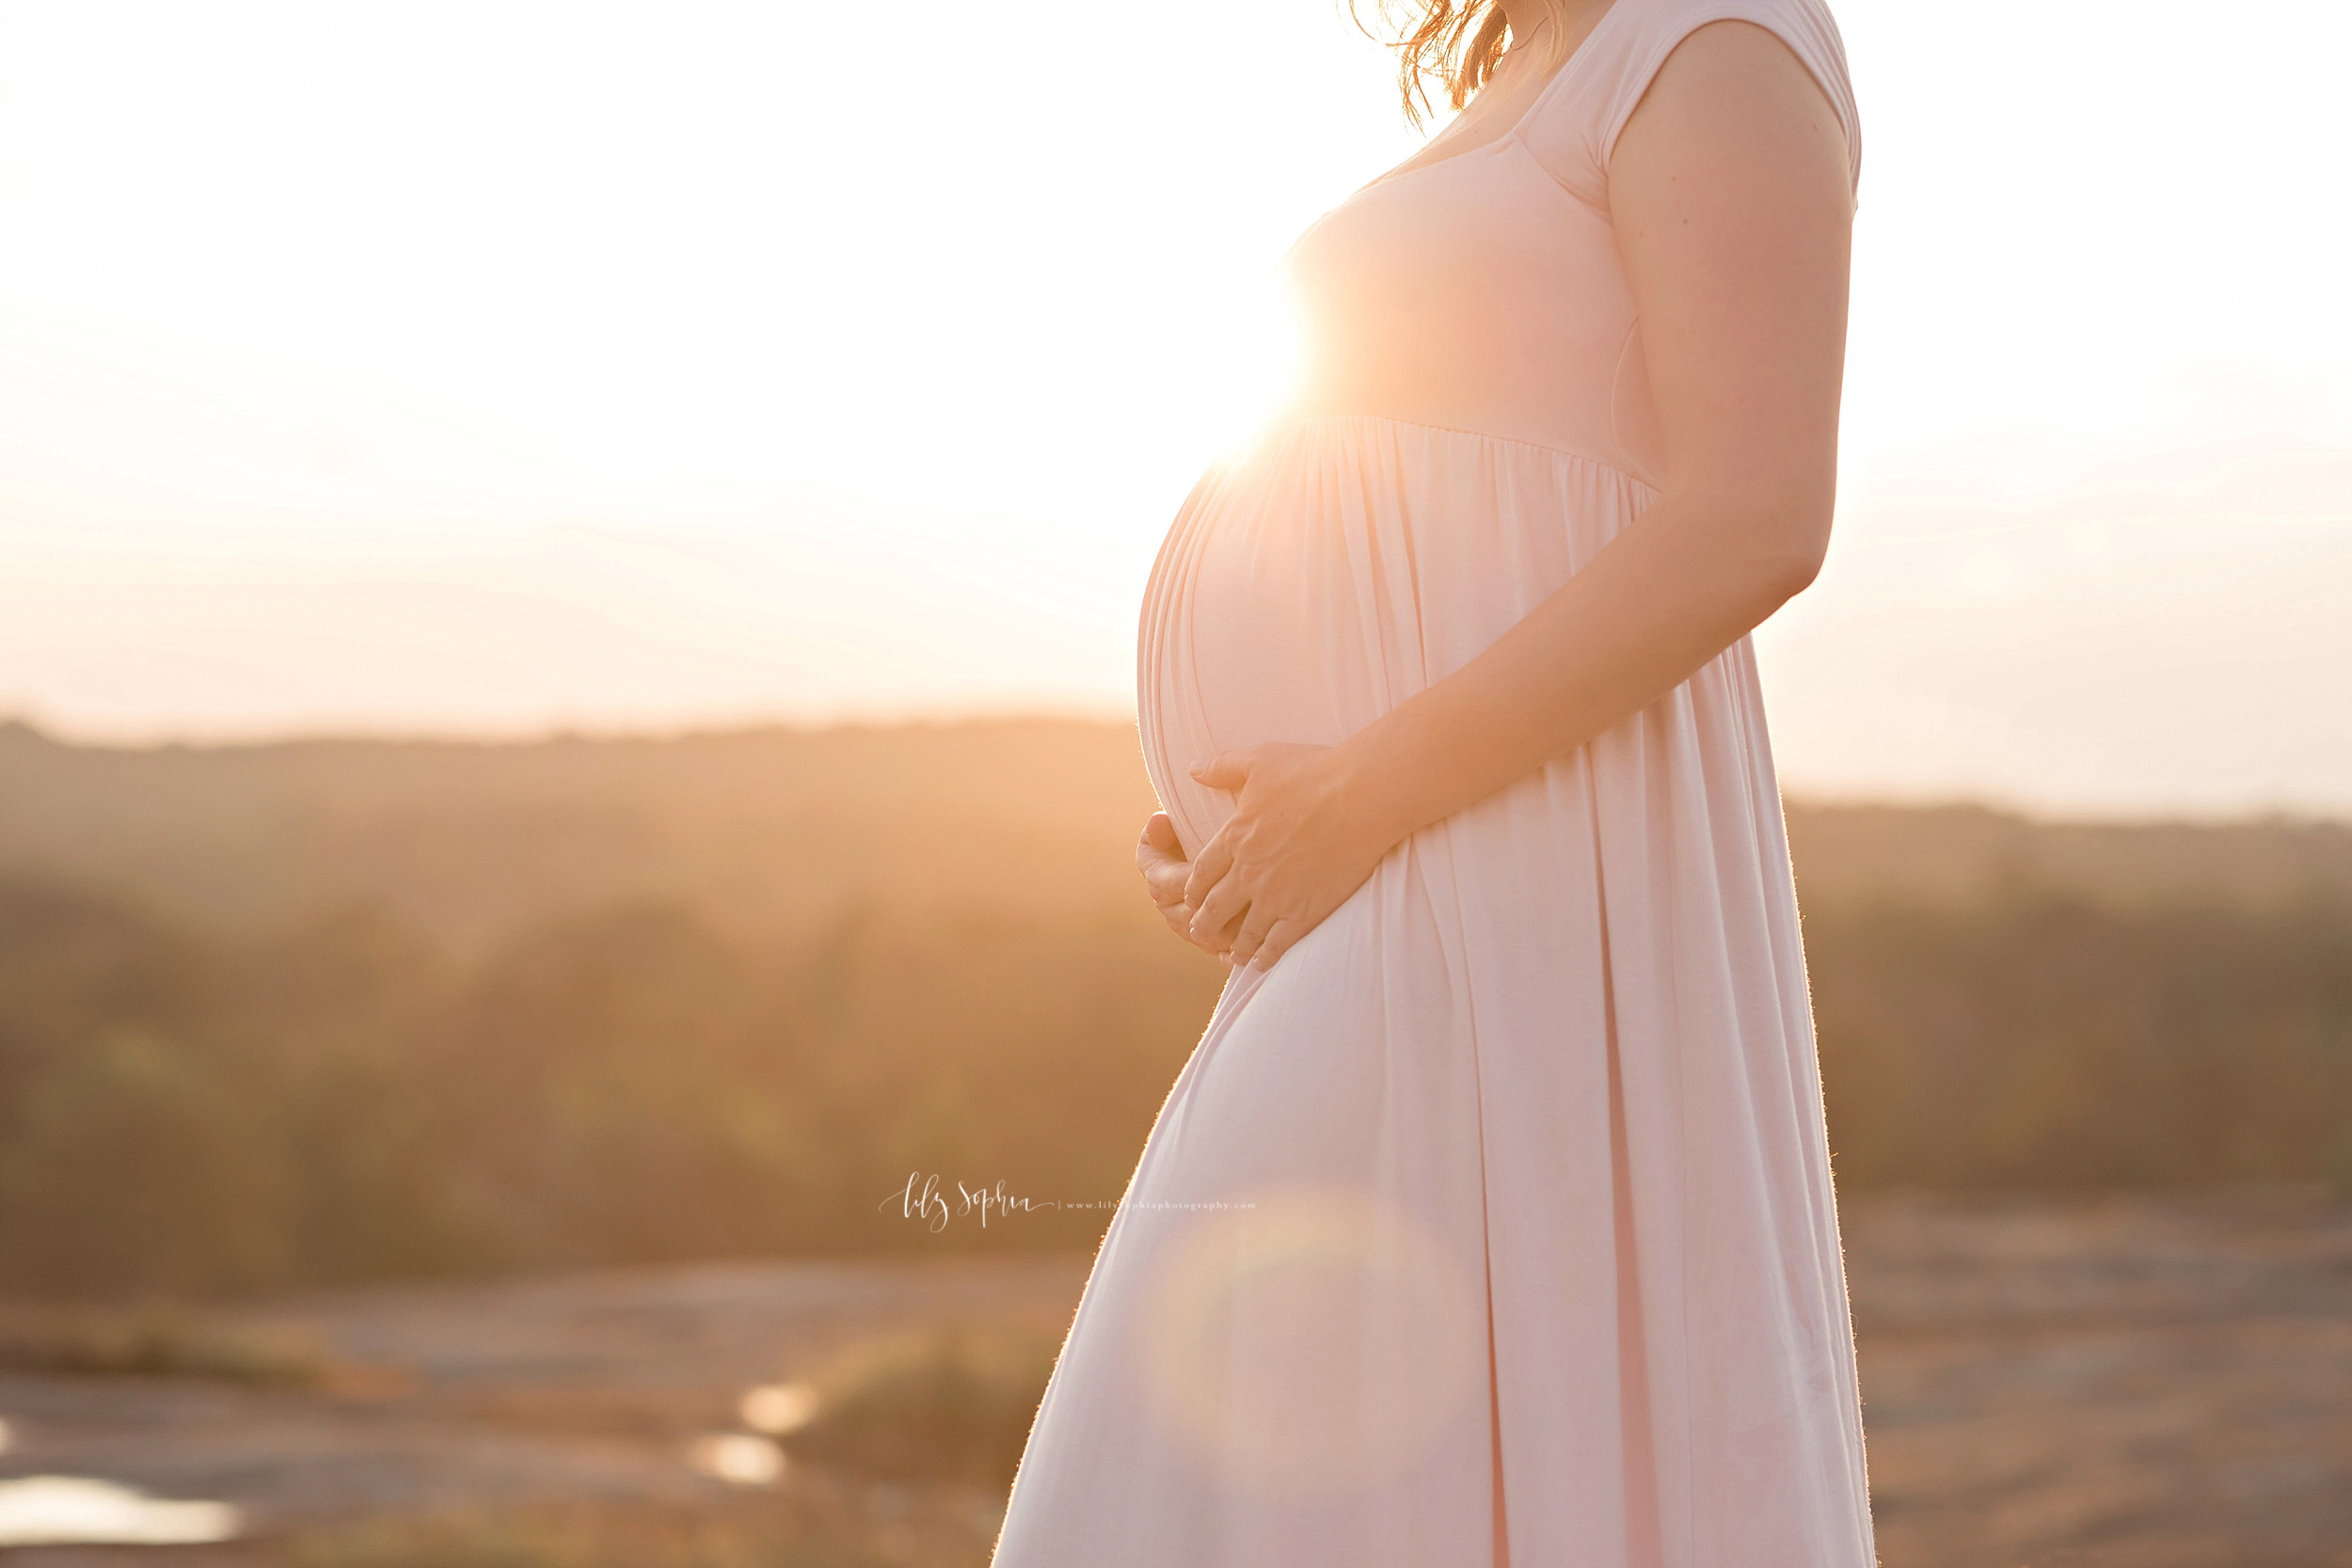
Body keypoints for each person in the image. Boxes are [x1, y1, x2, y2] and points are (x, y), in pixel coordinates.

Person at [993, 0, 1871, 1560]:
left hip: (1511, 885)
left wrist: (1360, 790)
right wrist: (1234, 818)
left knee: (1209, 1482)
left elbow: (1759, 512)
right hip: (1381, 873)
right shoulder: (1529, 75)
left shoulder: (1718, 38)